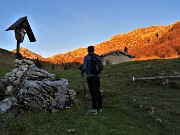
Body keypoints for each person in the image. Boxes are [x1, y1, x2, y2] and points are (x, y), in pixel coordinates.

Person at [81, 46, 102, 114]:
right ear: (93, 50)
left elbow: (84, 68)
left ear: (88, 50)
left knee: (93, 92)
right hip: (97, 77)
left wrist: (82, 71)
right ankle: (100, 107)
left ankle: (94, 108)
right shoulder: (97, 56)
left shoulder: (87, 57)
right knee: (98, 91)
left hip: (90, 77)